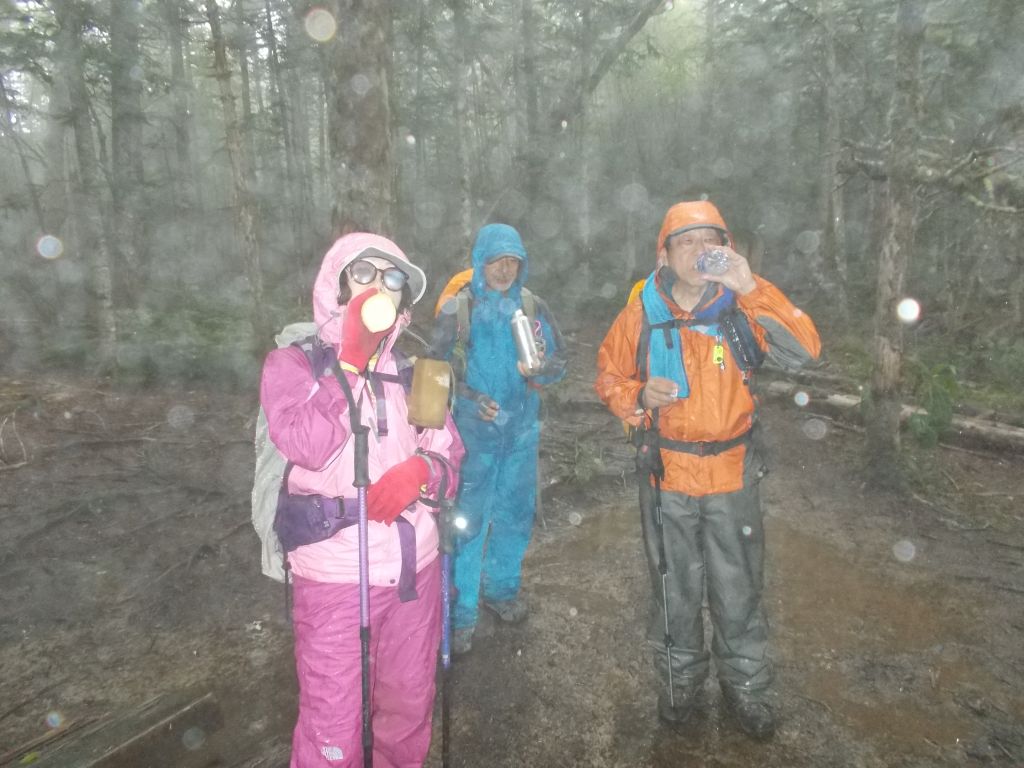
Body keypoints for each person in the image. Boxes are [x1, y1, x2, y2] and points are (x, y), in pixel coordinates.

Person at [594, 201, 821, 739]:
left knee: (738, 589)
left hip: (732, 475)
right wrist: (637, 395)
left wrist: (751, 286)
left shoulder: (740, 308)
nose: (699, 252)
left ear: (727, 247)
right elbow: (607, 377)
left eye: (709, 241)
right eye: (686, 242)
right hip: (666, 475)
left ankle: (746, 690)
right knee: (672, 590)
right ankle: (680, 687)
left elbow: (805, 352)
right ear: (665, 253)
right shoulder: (641, 313)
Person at [260, 232, 464, 767]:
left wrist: (422, 470)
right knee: (334, 727)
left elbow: (449, 461)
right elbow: (304, 443)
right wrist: (349, 362)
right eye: (365, 274)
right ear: (338, 284)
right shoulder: (294, 364)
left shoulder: (416, 371)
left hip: (412, 572)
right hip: (333, 576)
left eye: (393, 278)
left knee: (407, 710)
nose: (379, 286)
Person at [428, 223, 567, 654]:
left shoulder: (532, 305)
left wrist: (543, 369)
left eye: (513, 262)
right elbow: (433, 377)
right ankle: (461, 612)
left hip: (521, 434)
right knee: (467, 524)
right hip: (474, 441)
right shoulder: (458, 310)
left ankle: (501, 591)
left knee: (514, 517)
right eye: (496, 261)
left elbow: (561, 361)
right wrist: (469, 402)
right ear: (480, 262)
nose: (505, 270)